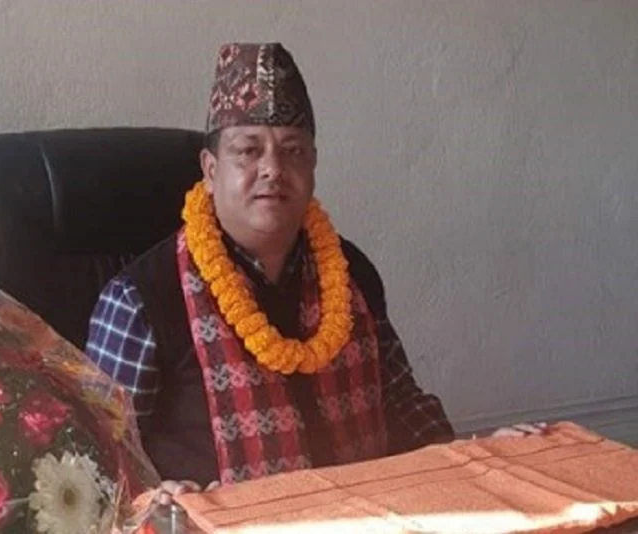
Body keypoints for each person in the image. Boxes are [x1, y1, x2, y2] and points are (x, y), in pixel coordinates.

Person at [84, 42, 539, 503]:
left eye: (293, 150)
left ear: (313, 164)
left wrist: (476, 457)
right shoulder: (140, 298)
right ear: (210, 169)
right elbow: (94, 459)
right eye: (248, 150)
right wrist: (154, 497)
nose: (273, 169)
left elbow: (399, 402)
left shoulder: (349, 271)